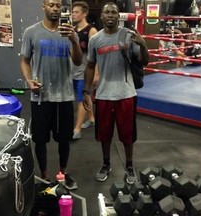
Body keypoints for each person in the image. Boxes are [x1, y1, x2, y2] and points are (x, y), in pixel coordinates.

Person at [82, 2, 149, 184]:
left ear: (118, 16)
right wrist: (86, 91)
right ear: (102, 17)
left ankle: (129, 165)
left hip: (126, 93)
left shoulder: (128, 36)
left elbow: (144, 62)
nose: (110, 15)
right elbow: (89, 66)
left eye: (114, 12)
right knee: (104, 134)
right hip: (104, 94)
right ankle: (106, 164)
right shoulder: (95, 40)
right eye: (107, 13)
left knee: (127, 134)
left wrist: (143, 46)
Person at [20, 0, 83, 190]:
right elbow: (24, 61)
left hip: (64, 95)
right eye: (51, 5)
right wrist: (29, 81)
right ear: (43, 6)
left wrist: (74, 40)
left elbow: (78, 62)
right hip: (41, 96)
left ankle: (62, 174)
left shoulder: (69, 33)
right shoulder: (31, 32)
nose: (55, 8)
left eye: (58, 5)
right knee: (40, 140)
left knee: (64, 138)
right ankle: (45, 176)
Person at [71, 1, 98, 140]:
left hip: (85, 73)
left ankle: (77, 129)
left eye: (76, 12)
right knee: (86, 97)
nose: (73, 14)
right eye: (73, 12)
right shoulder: (73, 31)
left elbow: (96, 55)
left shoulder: (91, 31)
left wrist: (96, 74)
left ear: (84, 14)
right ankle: (91, 118)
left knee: (81, 99)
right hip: (73, 72)